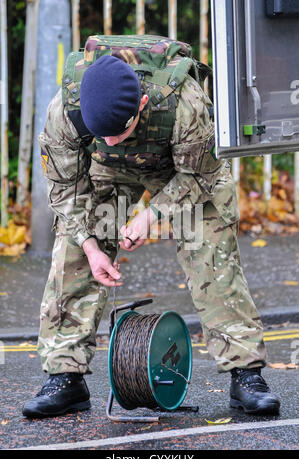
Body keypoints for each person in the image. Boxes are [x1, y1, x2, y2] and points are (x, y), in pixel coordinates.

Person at [22, 36, 280, 418]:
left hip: (182, 169)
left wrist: (152, 214)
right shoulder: (66, 111)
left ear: (141, 105)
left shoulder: (185, 103)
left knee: (211, 252)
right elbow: (65, 190)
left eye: (118, 131)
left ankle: (245, 373)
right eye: (100, 134)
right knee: (73, 252)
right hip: (108, 169)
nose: (108, 139)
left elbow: (201, 175)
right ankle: (65, 375)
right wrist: (91, 246)